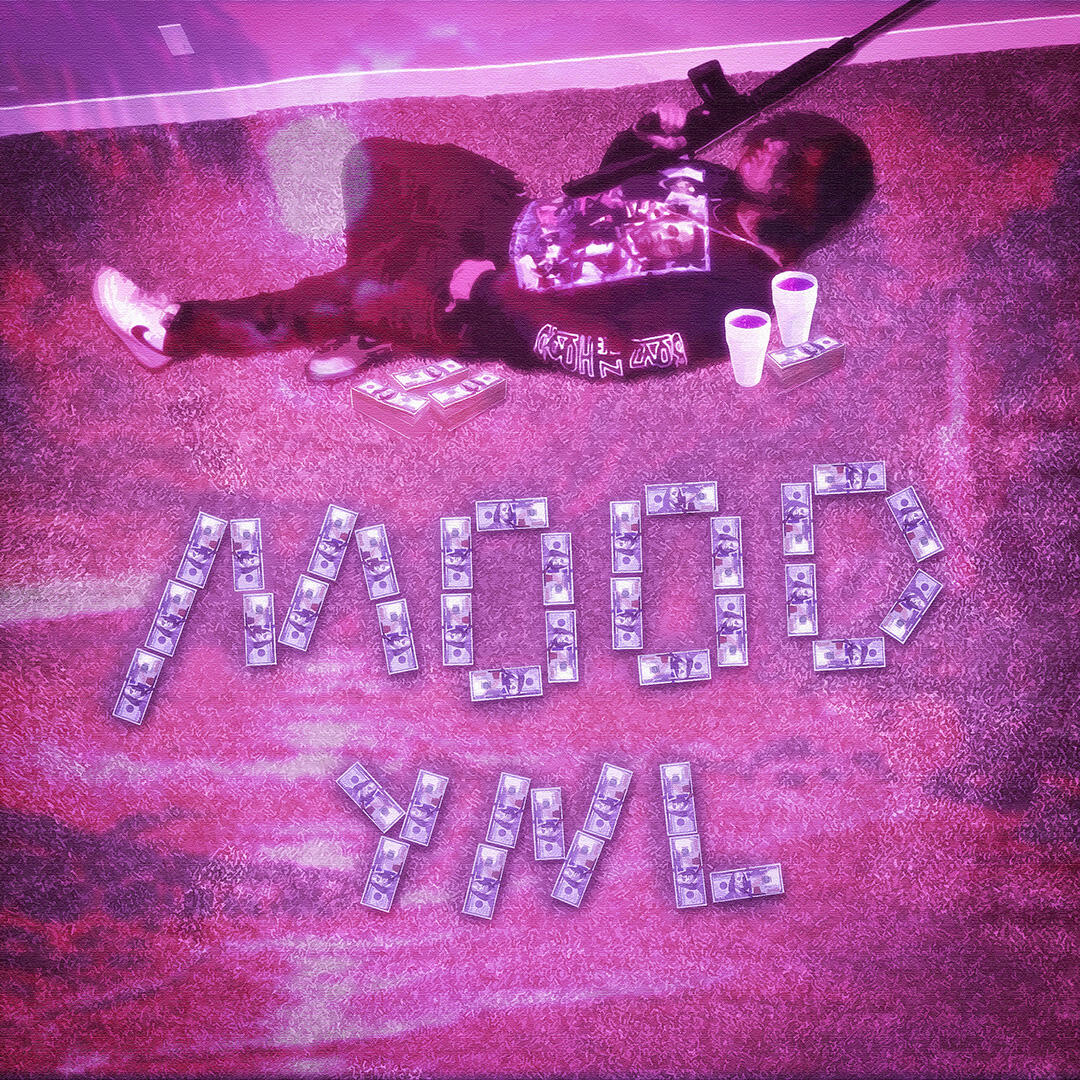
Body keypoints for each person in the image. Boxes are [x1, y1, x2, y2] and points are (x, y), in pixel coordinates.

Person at [93, 102, 873, 383]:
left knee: (343, 295)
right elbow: (602, 191)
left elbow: (616, 352)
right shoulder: (718, 182)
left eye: (790, 157)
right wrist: (644, 141)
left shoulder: (745, 296)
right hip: (518, 219)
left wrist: (491, 293)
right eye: (780, 136)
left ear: (804, 205)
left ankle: (175, 335)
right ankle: (375, 329)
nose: (769, 142)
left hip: (493, 306)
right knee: (375, 163)